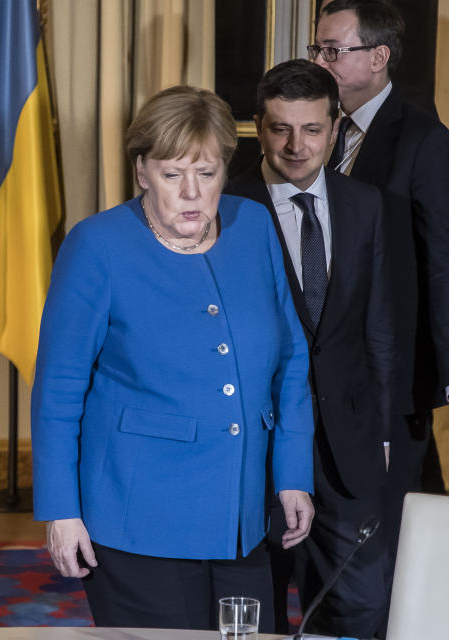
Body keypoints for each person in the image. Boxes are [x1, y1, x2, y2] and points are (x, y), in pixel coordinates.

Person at [32, 85, 316, 632]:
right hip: (138, 520)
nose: (191, 192)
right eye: (171, 174)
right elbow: (58, 391)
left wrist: (291, 476)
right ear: (142, 172)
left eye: (206, 174)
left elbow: (291, 359)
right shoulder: (98, 246)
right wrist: (61, 511)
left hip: (242, 520)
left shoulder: (252, 225)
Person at [227, 59, 395, 637]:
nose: (297, 146)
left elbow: (378, 328)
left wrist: (385, 429)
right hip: (261, 444)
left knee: (365, 605)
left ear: (335, 128)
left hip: (349, 444)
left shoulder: (365, 204)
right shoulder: (226, 210)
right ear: (258, 125)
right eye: (280, 129)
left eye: (313, 129)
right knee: (259, 611)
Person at [313, 0, 449, 564]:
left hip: (393, 368)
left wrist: (442, 371)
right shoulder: (317, 132)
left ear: (379, 57)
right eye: (316, 49)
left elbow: (441, 261)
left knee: (391, 532)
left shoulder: (423, 138)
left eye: (333, 51)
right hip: (328, 364)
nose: (320, 62)